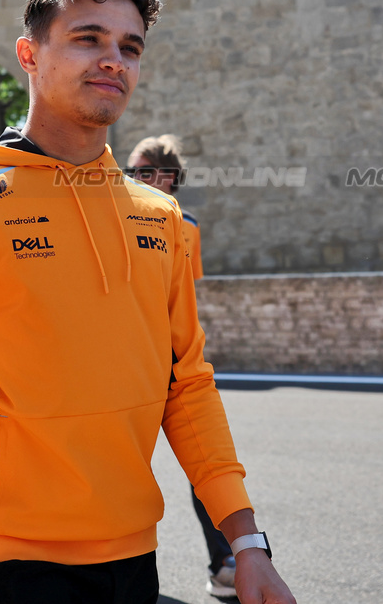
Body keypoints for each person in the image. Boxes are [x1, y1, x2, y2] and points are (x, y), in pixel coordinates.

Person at [0, 0, 295, 604]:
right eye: (87, 39)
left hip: (132, 558)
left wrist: (245, 539)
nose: (113, 60)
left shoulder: (162, 217)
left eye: (131, 46)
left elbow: (190, 387)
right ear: (29, 55)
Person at [127, 135, 232, 600]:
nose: (140, 179)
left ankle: (225, 561)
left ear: (172, 177)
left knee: (201, 465)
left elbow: (183, 300)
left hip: (162, 359)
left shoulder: (183, 224)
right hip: (135, 358)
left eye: (149, 172)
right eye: (135, 171)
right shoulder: (117, 212)